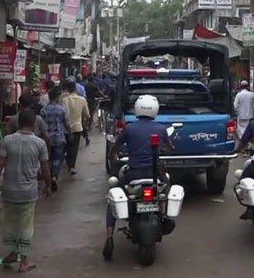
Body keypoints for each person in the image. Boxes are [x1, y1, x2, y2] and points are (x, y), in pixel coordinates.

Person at [106, 94, 174, 260]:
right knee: (167, 185)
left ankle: (109, 237)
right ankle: (163, 215)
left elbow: (115, 148)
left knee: (113, 196)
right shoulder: (161, 129)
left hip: (133, 175)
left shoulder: (129, 128)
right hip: (154, 176)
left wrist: (113, 156)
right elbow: (170, 148)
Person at [0, 110, 51, 273]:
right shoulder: (40, 143)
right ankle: (23, 261)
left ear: (18, 123)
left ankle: (11, 253)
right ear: (34, 124)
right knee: (26, 225)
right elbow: (45, 167)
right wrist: (48, 185)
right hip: (28, 192)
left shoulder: (7, 141)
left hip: (9, 190)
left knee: (9, 223)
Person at [59, 78, 91, 176]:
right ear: (75, 89)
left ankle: (68, 164)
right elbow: (87, 115)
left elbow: (62, 114)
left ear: (67, 89)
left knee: (67, 147)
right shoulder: (82, 100)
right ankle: (71, 166)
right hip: (77, 128)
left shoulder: (64, 100)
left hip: (66, 128)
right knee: (74, 148)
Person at [40, 86, 69, 190]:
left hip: (46, 139)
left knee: (47, 159)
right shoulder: (61, 109)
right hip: (59, 138)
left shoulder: (43, 110)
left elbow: (41, 126)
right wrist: (69, 133)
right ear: (57, 98)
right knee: (57, 159)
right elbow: (66, 123)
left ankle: (48, 177)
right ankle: (54, 177)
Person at [234, 80, 254, 149]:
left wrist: (238, 112)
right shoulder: (252, 94)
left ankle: (244, 146)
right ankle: (248, 145)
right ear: (247, 86)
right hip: (250, 115)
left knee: (241, 131)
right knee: (249, 130)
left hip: (241, 116)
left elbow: (235, 106)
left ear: (241, 86)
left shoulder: (239, 95)